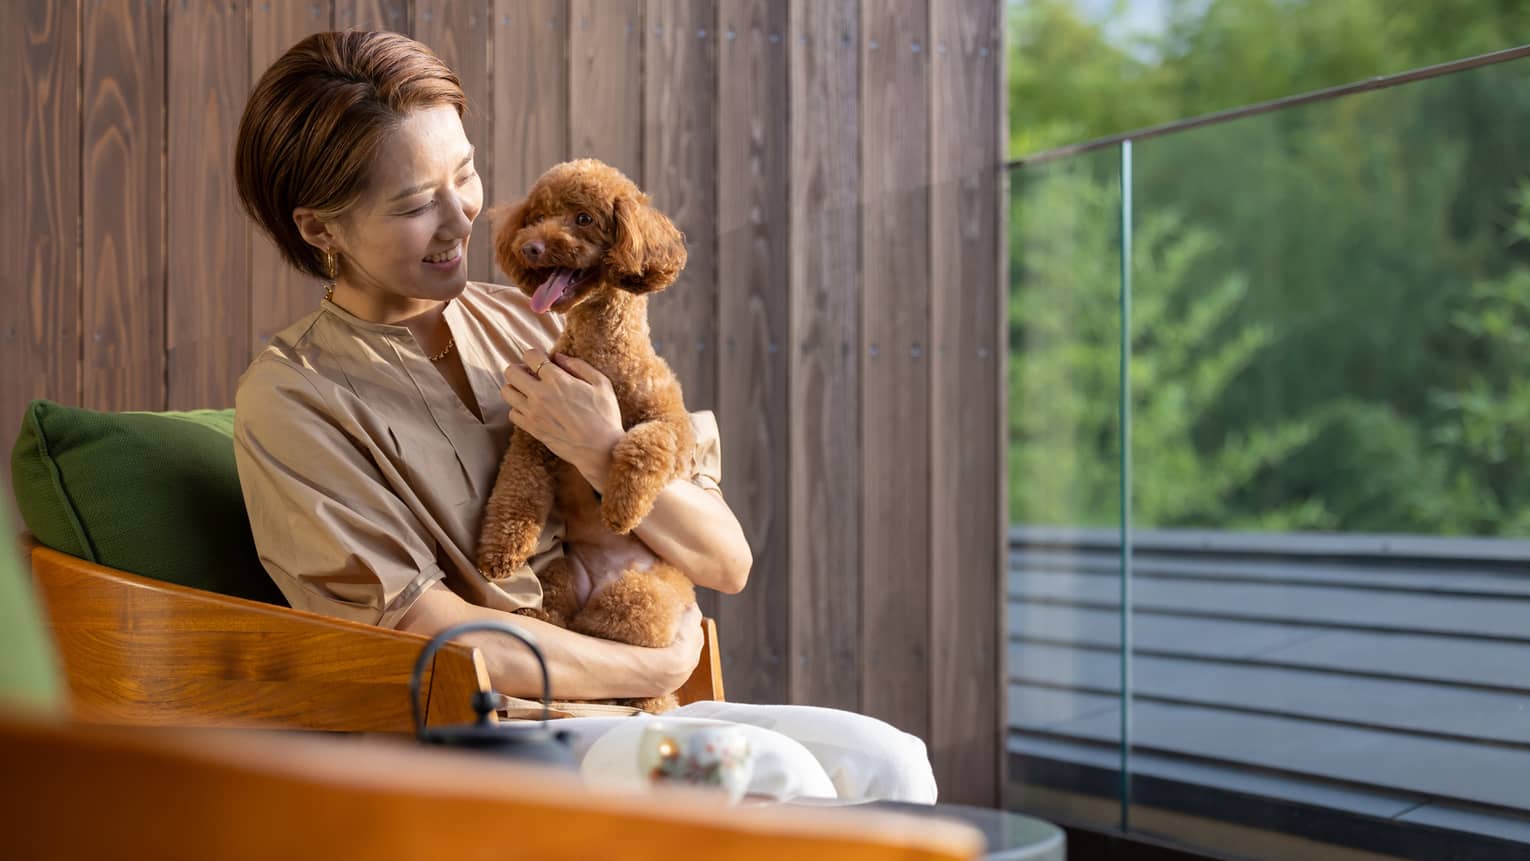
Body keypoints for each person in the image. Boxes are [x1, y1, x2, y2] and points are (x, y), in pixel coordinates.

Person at [231, 28, 935, 803]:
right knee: (767, 773)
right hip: (485, 737)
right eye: (412, 204)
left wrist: (603, 449)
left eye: (463, 174)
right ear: (318, 228)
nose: (459, 217)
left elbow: (725, 561)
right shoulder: (293, 396)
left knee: (892, 760)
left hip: (634, 718)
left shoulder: (543, 318)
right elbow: (422, 632)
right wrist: (656, 667)